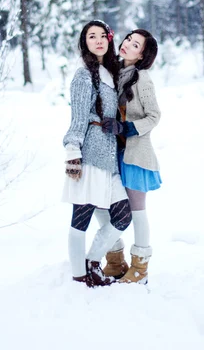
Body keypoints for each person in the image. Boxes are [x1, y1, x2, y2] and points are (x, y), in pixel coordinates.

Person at [62, 20, 132, 288]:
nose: (99, 40)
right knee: (81, 217)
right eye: (92, 36)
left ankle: (92, 261)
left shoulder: (110, 72)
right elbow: (78, 117)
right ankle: (80, 276)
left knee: (123, 215)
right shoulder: (84, 75)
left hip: (109, 158)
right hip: (89, 153)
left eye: (103, 35)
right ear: (85, 42)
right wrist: (73, 151)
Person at [98, 29, 161, 284]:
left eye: (135, 45)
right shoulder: (116, 72)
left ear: (142, 54)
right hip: (116, 154)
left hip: (136, 155)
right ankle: (115, 261)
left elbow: (154, 115)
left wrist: (128, 128)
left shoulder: (142, 79)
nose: (127, 45)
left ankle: (140, 269)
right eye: (127, 39)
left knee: (137, 212)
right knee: (107, 207)